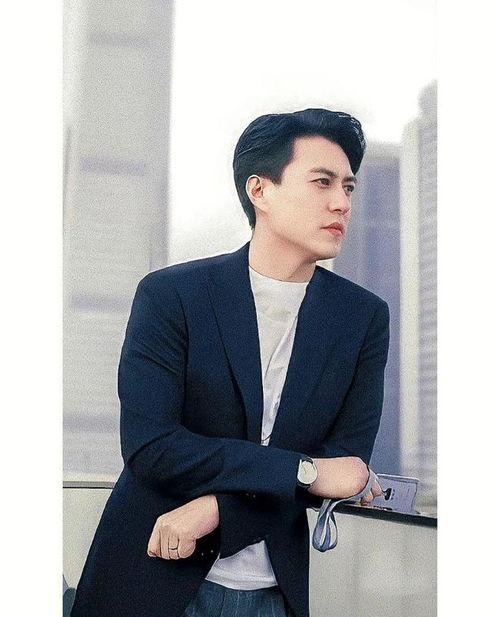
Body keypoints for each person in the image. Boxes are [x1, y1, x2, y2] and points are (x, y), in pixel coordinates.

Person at [70, 108, 389, 617]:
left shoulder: (362, 317)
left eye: (348, 187)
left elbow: (347, 468)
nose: (342, 203)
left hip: (275, 593)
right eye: (322, 182)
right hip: (151, 576)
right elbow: (152, 445)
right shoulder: (173, 295)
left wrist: (217, 509)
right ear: (259, 190)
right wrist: (305, 470)